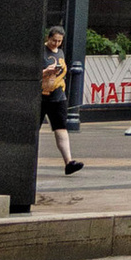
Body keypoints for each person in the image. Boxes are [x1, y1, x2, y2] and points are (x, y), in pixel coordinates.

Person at [39, 25, 80, 178]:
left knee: (61, 128)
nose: (56, 44)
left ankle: (69, 161)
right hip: (42, 95)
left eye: (59, 41)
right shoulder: (41, 51)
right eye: (53, 40)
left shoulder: (60, 52)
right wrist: (46, 72)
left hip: (57, 96)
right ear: (48, 38)